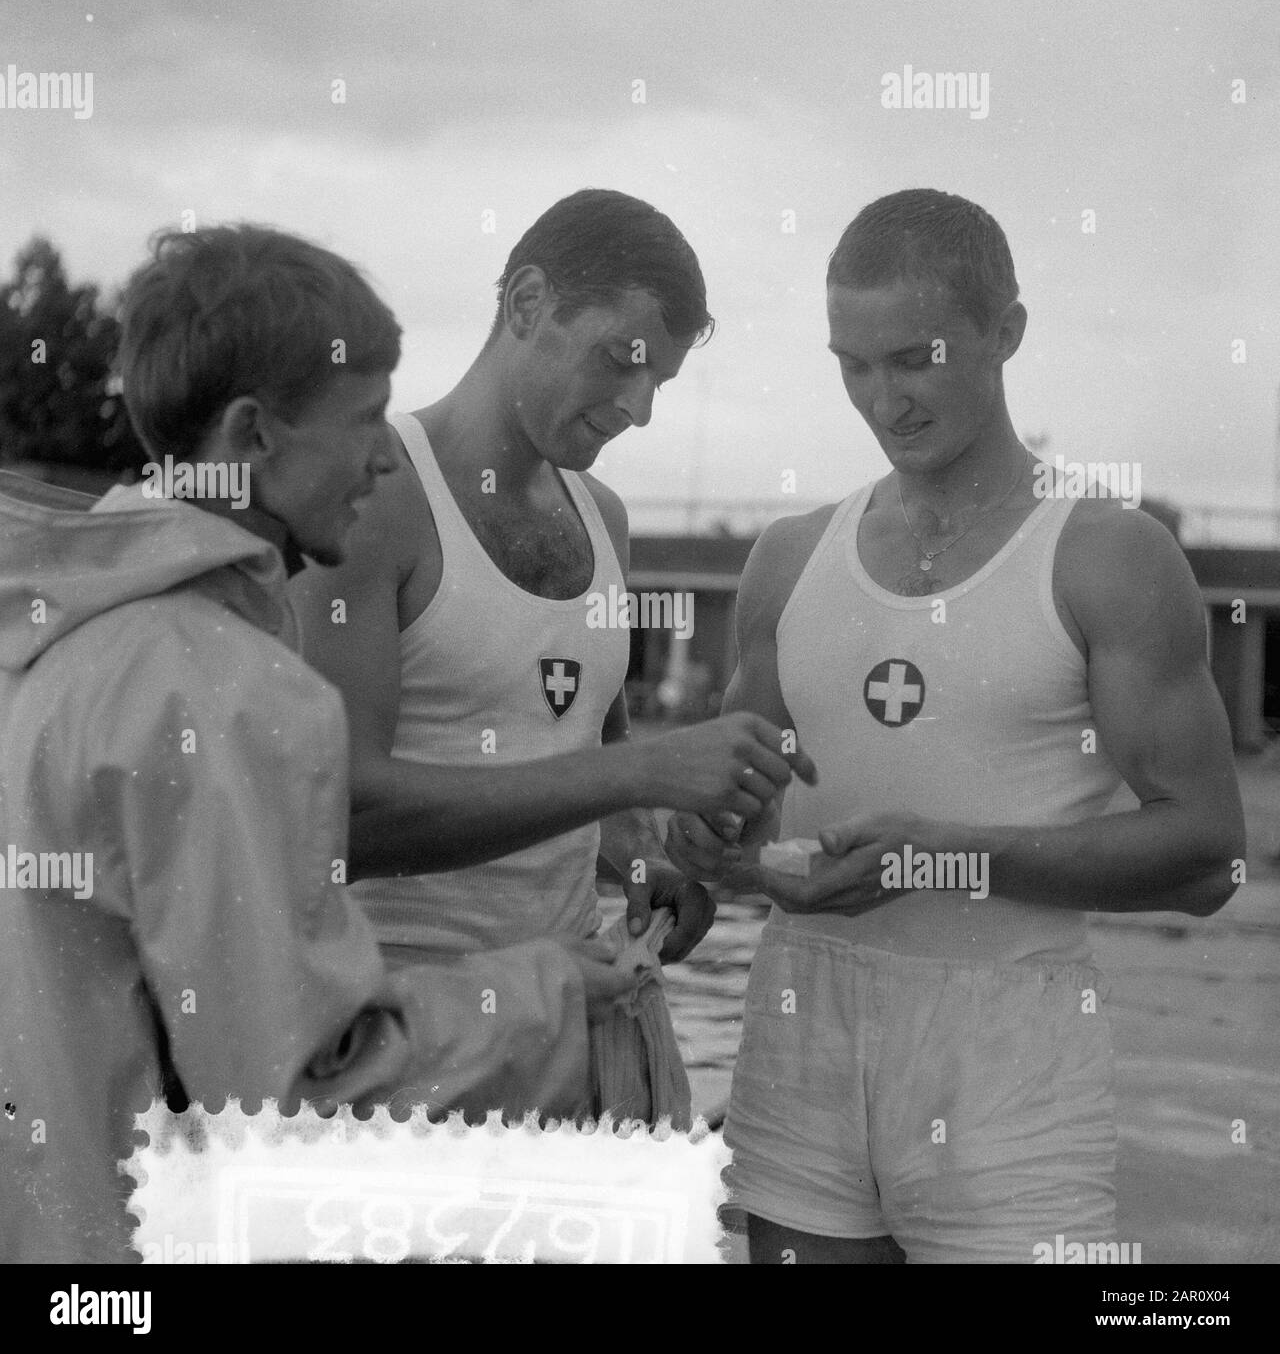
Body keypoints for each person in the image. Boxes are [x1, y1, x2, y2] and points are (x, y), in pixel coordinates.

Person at [0, 221, 724, 1264]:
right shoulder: (229, 687)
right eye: (365, 418)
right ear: (253, 435)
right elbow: (298, 1085)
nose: (386, 455)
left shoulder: (60, 635)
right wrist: (554, 988)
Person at [666, 189, 1246, 1263]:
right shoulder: (788, 557)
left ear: (1005, 333)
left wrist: (948, 860)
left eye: (915, 358)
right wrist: (697, 856)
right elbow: (716, 820)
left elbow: (1207, 859)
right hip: (801, 1017)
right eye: (852, 365)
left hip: (1006, 1049)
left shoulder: (1105, 558)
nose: (883, 400)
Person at [288, 190, 814, 1121]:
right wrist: (647, 767)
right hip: (398, 1043)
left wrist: (641, 860)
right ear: (527, 302)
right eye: (624, 360)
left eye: (662, 382)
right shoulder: (372, 501)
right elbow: (340, 824)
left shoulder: (604, 520)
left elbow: (584, 779)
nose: (641, 410)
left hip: (579, 1017)